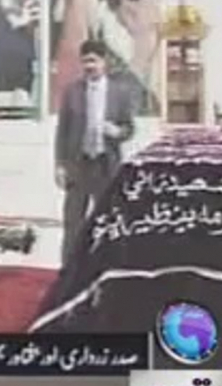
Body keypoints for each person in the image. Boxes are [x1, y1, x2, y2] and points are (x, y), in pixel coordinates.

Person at [54, 40, 136, 266]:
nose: (90, 66)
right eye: (85, 61)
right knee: (73, 221)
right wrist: (60, 165)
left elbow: (130, 128)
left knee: (107, 218)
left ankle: (106, 265)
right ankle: (69, 269)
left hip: (105, 165)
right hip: (78, 164)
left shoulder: (120, 93)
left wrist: (117, 131)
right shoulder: (73, 92)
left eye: (94, 61)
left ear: (105, 62)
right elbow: (63, 131)